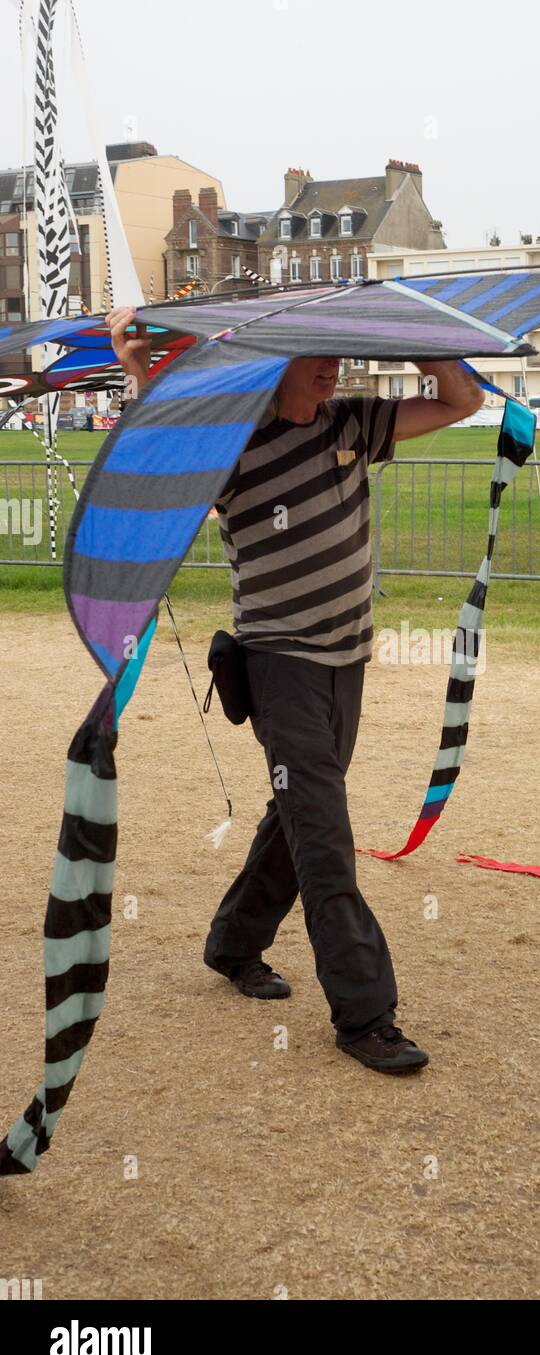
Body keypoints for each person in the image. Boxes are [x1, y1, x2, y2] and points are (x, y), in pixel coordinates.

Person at [108, 306, 483, 1074]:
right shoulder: (232, 443)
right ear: (270, 360)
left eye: (337, 352)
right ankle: (364, 1014)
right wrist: (139, 369)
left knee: (297, 812)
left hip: (346, 658)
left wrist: (436, 345)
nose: (330, 365)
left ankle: (233, 943)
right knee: (323, 834)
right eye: (311, 353)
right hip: (280, 663)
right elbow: (153, 460)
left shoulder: (351, 423)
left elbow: (461, 403)